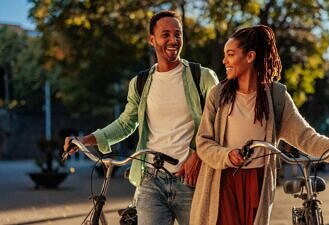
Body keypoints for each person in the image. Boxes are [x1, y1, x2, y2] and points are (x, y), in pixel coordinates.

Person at [190, 25, 329, 225]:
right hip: (222, 181)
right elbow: (203, 142)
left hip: (258, 182)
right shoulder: (218, 94)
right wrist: (226, 155)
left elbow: (307, 138)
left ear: (250, 56)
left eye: (230, 54)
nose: (225, 61)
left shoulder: (276, 97)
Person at [63, 10, 218, 225]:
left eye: (178, 34)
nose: (173, 40)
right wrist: (86, 139)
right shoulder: (141, 82)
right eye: (166, 34)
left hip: (192, 180)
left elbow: (219, 121)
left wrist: (198, 155)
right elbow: (126, 123)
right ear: (151, 39)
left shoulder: (202, 76)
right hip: (152, 181)